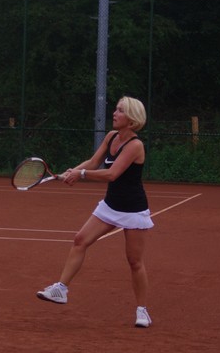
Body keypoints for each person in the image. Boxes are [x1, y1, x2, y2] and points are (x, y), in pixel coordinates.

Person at [36, 96, 154, 328]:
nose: (115, 113)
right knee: (80, 240)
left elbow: (111, 174)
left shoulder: (135, 145)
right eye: (116, 109)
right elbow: (93, 162)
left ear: (132, 119)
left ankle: (142, 310)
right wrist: (72, 171)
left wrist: (80, 175)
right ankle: (61, 289)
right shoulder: (111, 137)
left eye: (120, 111)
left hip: (133, 209)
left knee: (134, 262)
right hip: (110, 205)